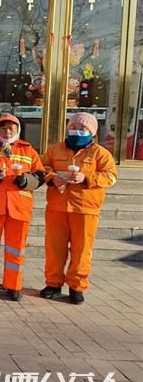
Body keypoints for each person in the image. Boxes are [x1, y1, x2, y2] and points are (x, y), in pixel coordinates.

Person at [40, 112, 117, 304]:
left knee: (82, 250)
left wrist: (87, 178)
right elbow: (42, 168)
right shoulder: (55, 149)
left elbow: (111, 177)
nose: (77, 131)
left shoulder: (100, 153)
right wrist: (52, 178)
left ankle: (77, 286)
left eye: (83, 128)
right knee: (54, 248)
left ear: (92, 132)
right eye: (73, 127)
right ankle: (53, 283)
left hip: (85, 208)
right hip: (57, 207)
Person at [0, 114, 45, 301]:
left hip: (19, 205)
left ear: (18, 130)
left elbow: (41, 175)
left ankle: (13, 286)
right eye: (3, 128)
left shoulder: (28, 150)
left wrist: (25, 180)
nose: (7, 131)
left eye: (11, 128)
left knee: (16, 249)